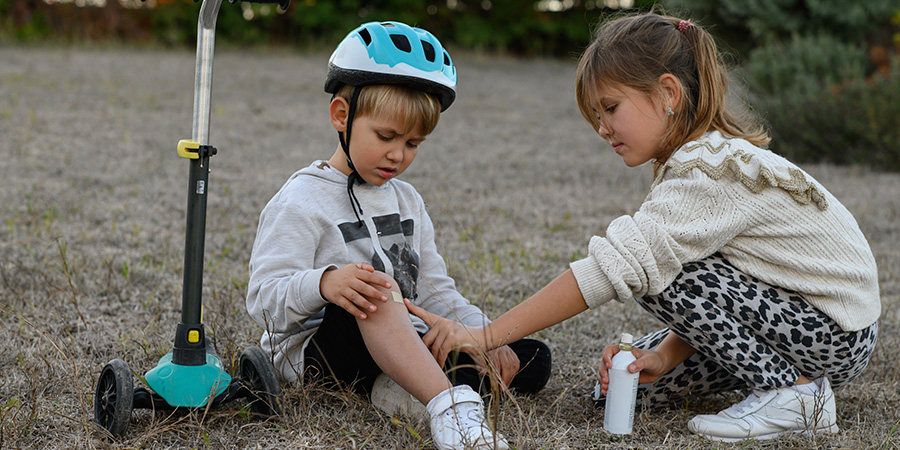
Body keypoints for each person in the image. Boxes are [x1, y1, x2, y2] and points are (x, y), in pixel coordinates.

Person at [405, 12, 880, 443]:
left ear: (669, 93)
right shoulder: (697, 162)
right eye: (595, 115)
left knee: (647, 268)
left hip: (831, 331)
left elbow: (618, 266)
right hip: (800, 327)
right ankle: (782, 384)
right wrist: (665, 357)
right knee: (626, 384)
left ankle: (795, 397)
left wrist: (486, 336)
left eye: (610, 108)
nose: (602, 128)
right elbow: (728, 286)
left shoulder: (709, 170)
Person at [245, 21, 551, 450]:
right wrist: (325, 283)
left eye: (413, 143)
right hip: (326, 354)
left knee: (530, 357)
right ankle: (450, 405)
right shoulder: (299, 201)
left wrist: (483, 334)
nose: (397, 155)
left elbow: (435, 290)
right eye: (386, 136)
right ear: (341, 116)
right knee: (378, 290)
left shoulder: (406, 200)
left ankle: (407, 385)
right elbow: (263, 299)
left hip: (401, 340)